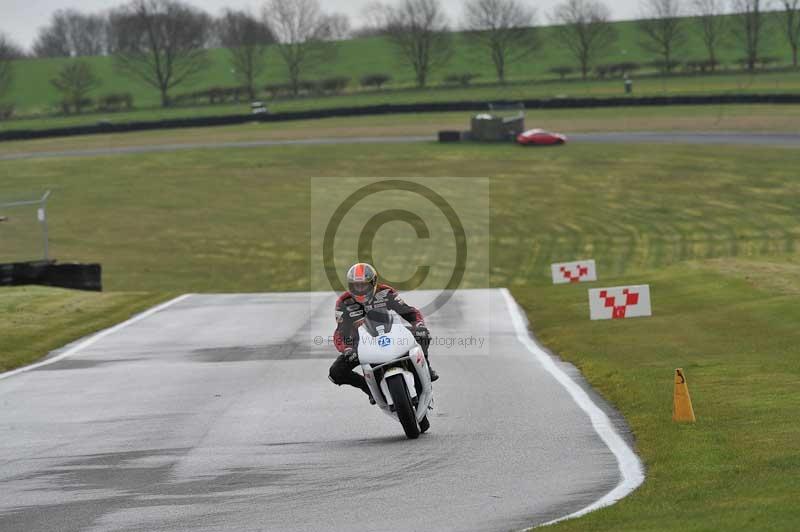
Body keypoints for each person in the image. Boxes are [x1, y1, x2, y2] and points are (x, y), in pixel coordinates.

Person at [328, 262, 438, 401]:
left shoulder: (385, 292)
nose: (360, 289)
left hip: (392, 333)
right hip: (361, 343)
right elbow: (340, 332)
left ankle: (425, 367)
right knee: (336, 373)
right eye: (356, 285)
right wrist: (347, 349)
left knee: (423, 335)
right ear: (350, 285)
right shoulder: (343, 302)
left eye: (364, 285)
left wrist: (419, 325)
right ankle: (368, 388)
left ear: (373, 283)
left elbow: (409, 312)